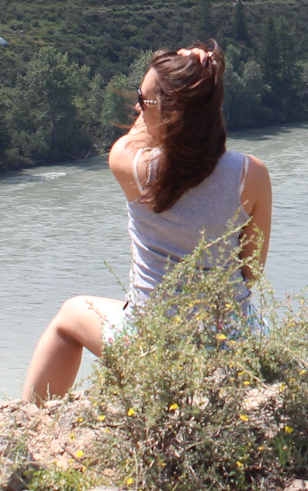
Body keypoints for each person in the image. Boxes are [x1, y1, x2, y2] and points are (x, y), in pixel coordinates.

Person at [22, 43, 273, 402]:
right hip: (232, 343)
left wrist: (165, 98)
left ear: (167, 114)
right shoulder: (252, 175)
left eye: (143, 98)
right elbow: (252, 272)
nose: (138, 105)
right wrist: (197, 87)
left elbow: (134, 138)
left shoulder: (134, 169)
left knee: (69, 316)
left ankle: (30, 423)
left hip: (156, 345)